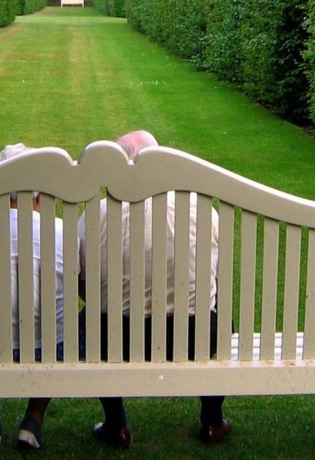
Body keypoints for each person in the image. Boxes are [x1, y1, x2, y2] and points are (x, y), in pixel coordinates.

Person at [81, 130, 231, 449]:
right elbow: (216, 277)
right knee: (219, 315)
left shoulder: (97, 211)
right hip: (193, 336)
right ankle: (212, 421)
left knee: (91, 318)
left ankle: (116, 424)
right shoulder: (201, 207)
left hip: (115, 338)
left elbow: (82, 281)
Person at [0, 143, 72, 452]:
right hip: (46, 350)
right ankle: (33, 420)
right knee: (61, 329)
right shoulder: (62, 230)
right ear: (39, 194)